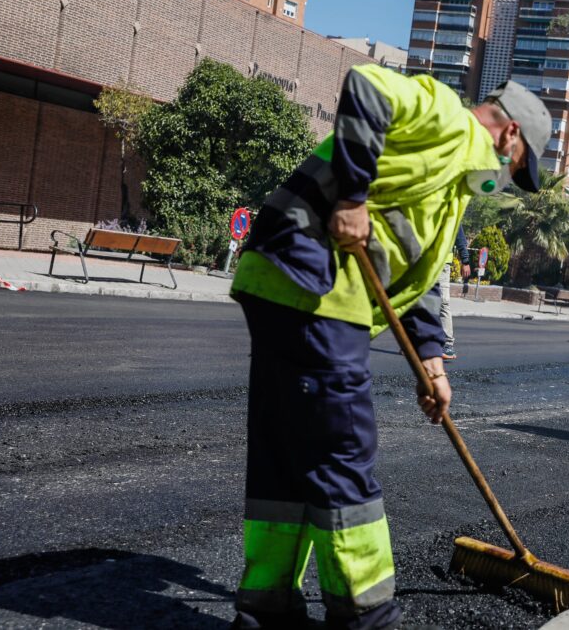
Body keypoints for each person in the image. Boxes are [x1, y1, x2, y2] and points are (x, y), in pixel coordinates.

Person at [229, 65, 551, 630]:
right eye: (517, 167)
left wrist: (431, 361)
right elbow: (366, 86)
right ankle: (366, 618)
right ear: (510, 135)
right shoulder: (448, 119)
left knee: (290, 452)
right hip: (315, 288)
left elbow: (421, 277)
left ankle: (268, 608)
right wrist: (351, 197)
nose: (508, 177)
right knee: (342, 455)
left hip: (286, 285)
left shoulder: (453, 186)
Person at [439, 224, 471, 360]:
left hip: (442, 265)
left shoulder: (451, 209)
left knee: (443, 302)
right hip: (423, 262)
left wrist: (465, 261)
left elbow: (460, 237)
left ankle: (448, 344)